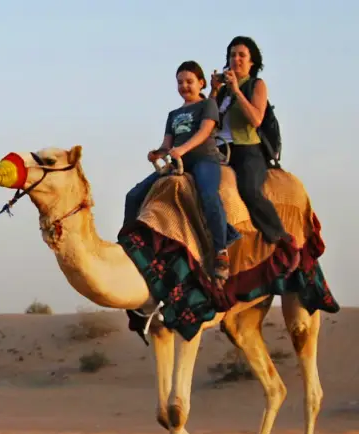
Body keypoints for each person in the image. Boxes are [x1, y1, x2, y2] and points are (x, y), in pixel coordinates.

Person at [124, 61, 240, 285]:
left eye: (189, 81)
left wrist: (183, 150)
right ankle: (129, 246)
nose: (184, 86)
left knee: (208, 195)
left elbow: (205, 131)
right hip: (176, 162)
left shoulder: (207, 105)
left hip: (204, 160)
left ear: (201, 83)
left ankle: (221, 250)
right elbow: (167, 144)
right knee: (133, 196)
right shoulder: (173, 114)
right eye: (180, 82)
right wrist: (158, 153)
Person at [210, 36, 296, 251]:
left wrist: (237, 91)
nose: (236, 59)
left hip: (247, 150)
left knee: (249, 190)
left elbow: (256, 119)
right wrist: (213, 90)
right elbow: (208, 121)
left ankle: (281, 236)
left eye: (241, 55)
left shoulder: (256, 85)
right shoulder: (222, 92)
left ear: (251, 62)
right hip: (220, 150)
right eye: (232, 55)